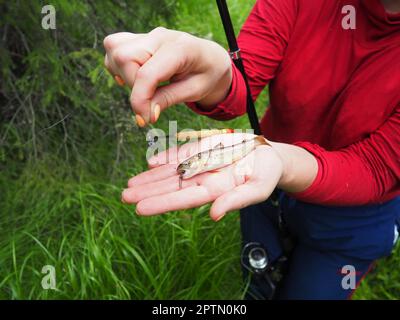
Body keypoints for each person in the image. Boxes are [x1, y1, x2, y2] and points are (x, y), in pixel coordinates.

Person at [103, 0, 400, 299]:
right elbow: (243, 81)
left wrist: (282, 162)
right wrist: (216, 73)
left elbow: (375, 168)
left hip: (352, 222)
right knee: (255, 283)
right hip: (259, 179)